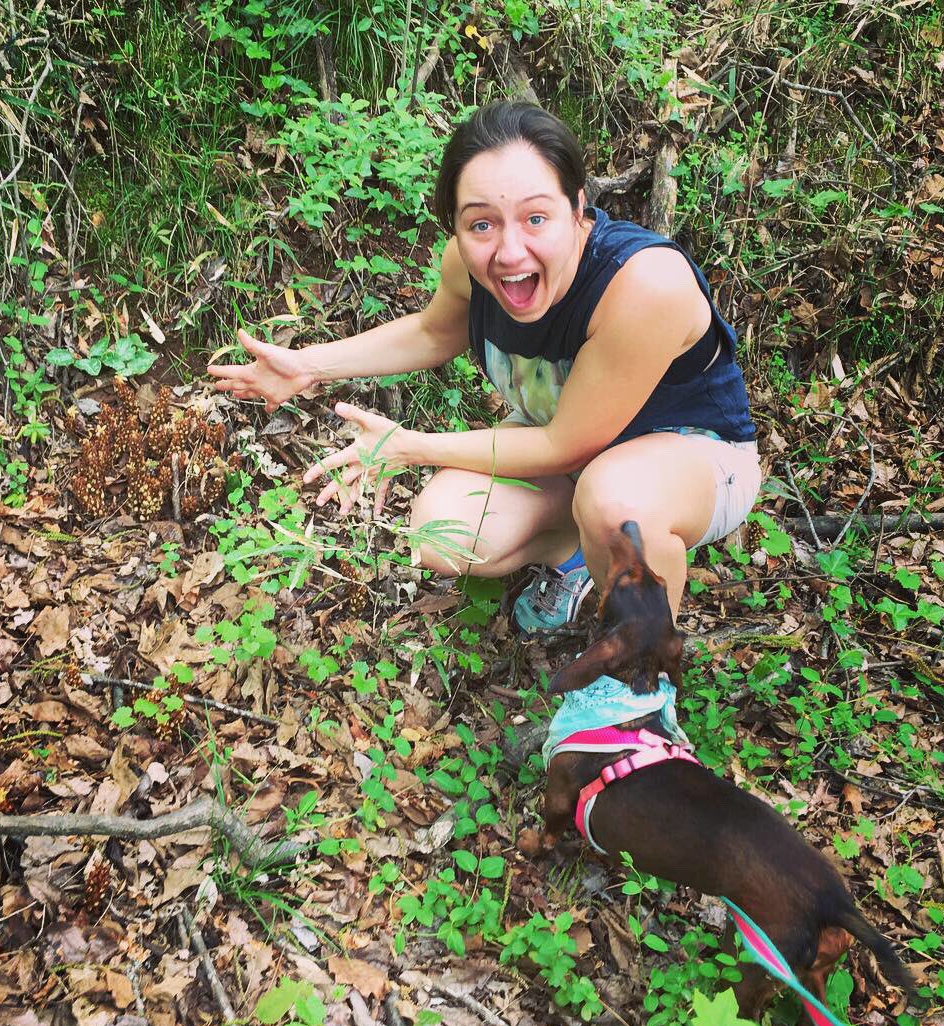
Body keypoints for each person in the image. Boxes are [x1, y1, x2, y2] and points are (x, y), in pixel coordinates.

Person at [209, 101, 761, 637]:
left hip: (695, 456)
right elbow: (432, 333)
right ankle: (582, 558)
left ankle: (637, 694)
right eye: (481, 224)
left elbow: (561, 445)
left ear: (578, 206)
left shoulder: (643, 285)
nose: (509, 251)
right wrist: (307, 365)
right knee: (442, 532)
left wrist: (411, 445)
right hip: (576, 454)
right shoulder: (471, 268)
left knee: (616, 500)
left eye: (536, 217)